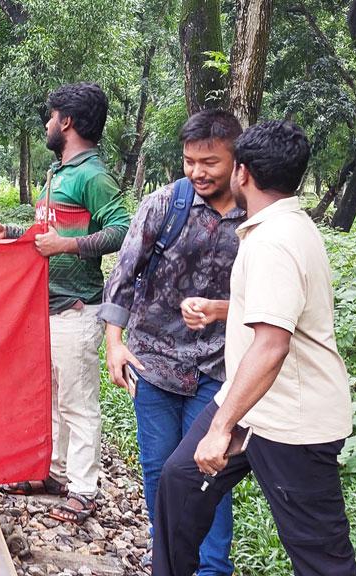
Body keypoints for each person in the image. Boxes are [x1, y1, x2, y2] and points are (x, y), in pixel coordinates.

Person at [153, 121, 356, 576]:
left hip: (293, 421)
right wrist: (222, 309)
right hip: (253, 404)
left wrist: (219, 429)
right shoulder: (282, 227)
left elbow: (272, 347)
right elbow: (277, 313)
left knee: (320, 554)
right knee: (180, 481)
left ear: (241, 172)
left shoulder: (274, 241)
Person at [98, 109, 245, 575]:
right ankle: (166, 555)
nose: (198, 172)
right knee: (160, 468)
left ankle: (212, 567)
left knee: (210, 469)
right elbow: (122, 276)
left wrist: (221, 311)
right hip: (154, 361)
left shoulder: (254, 217)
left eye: (210, 163)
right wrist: (114, 344)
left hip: (218, 370)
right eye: (189, 161)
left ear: (236, 160)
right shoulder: (165, 204)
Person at [0, 83, 130, 524]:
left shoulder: (93, 175)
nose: (46, 124)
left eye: (50, 116)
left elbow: (123, 229)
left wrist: (67, 246)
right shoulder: (58, 173)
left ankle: (84, 489)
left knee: (78, 401)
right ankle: (55, 472)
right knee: (53, 396)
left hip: (77, 309)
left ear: (66, 121)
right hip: (47, 309)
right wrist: (8, 232)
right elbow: (46, 231)